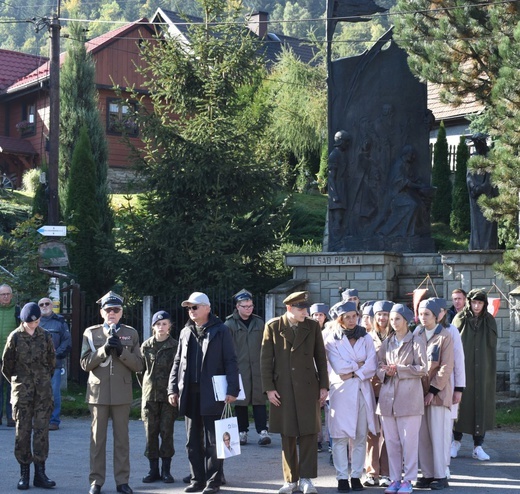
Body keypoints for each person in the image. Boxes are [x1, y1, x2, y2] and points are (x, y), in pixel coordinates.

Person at [168, 292, 239, 494]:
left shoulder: (221, 330)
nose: (191, 311)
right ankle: (197, 479)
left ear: (207, 308)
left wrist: (233, 389)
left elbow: (231, 361)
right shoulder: (185, 331)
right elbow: (177, 362)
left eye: (195, 307)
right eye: (189, 308)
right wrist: (172, 389)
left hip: (213, 393)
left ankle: (213, 481)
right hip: (189, 393)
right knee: (192, 441)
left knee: (214, 441)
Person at [260, 291, 329, 494]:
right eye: (301, 309)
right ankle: (290, 480)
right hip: (284, 388)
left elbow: (320, 358)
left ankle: (307, 479)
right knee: (287, 434)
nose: (305, 312)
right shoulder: (273, 326)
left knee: (309, 433)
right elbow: (265, 360)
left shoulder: (312, 326)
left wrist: (324, 385)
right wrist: (269, 389)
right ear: (289, 308)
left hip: (308, 386)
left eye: (306, 308)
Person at [80, 291, 143, 494]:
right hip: (98, 393)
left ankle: (122, 481)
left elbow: (139, 365)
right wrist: (103, 351)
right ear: (102, 312)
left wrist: (121, 353)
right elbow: (84, 363)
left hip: (121, 393)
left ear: (121, 312)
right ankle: (96, 481)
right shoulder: (91, 333)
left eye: (116, 310)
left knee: (122, 440)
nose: (112, 313)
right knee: (97, 440)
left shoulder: (130, 333)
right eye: (108, 310)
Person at [324, 301, 378, 493]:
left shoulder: (366, 337)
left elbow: (372, 365)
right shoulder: (331, 340)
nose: (352, 320)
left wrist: (355, 371)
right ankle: (341, 477)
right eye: (347, 317)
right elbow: (339, 368)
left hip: (362, 390)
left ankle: (356, 476)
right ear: (340, 319)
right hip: (342, 392)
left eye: (354, 316)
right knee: (340, 437)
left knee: (361, 435)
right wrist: (359, 365)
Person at [2, 302, 56, 490]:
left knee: (41, 432)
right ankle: (24, 473)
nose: (33, 325)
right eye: (30, 323)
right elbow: (6, 366)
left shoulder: (46, 336)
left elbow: (51, 363)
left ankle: (40, 473)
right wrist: (19, 383)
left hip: (42, 392)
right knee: (22, 432)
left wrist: (41, 381)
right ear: (23, 321)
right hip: (22, 393)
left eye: (36, 321)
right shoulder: (15, 337)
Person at [376, 304, 427, 494]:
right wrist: (385, 371)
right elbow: (378, 365)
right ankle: (395, 479)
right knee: (392, 442)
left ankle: (409, 479)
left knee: (409, 442)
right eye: (391, 319)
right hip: (387, 400)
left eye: (397, 319)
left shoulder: (416, 340)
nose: (393, 323)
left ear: (406, 320)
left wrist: (399, 369)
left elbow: (422, 368)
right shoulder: (387, 342)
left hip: (409, 400)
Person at [452, 289, 497, 461]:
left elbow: (491, 345)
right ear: (469, 302)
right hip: (464, 368)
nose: (477, 306)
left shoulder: (489, 320)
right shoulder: (460, 319)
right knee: (461, 404)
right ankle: (455, 442)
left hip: (483, 369)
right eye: (474, 302)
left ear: (484, 304)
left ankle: (478, 445)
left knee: (481, 404)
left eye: (480, 303)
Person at [414, 299, 454, 491]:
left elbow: (446, 367)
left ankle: (440, 475)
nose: (423, 317)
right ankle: (427, 474)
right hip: (418, 394)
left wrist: (433, 391)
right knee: (423, 437)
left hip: (438, 394)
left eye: (427, 314)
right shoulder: (417, 333)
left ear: (437, 315)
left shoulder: (445, 336)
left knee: (439, 436)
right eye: (421, 314)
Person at [224, 289, 270, 447]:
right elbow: (226, 348)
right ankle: (242, 432)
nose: (248, 309)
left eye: (250, 306)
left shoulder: (259, 322)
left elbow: (266, 344)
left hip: (258, 367)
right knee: (240, 401)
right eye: (245, 306)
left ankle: (263, 431)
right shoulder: (229, 324)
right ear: (237, 306)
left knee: (259, 399)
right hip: (239, 368)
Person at [138, 310, 179, 484]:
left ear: (170, 327)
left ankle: (166, 471)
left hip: (168, 398)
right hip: (150, 397)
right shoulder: (146, 346)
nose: (161, 327)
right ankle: (152, 470)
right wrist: (147, 388)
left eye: (164, 324)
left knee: (166, 432)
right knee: (150, 433)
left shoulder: (176, 346)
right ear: (153, 327)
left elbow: (178, 371)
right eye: (158, 324)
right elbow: (141, 371)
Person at [426, 298, 466, 477]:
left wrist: (459, 387)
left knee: (444, 428)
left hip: (447, 386)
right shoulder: (421, 331)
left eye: (441, 310)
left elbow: (458, 361)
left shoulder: (451, 331)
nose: (439, 313)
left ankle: (444, 466)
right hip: (426, 389)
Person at [364, 300, 393, 488]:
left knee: (389, 432)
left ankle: (386, 472)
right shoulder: (367, 337)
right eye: (379, 314)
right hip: (371, 389)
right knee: (372, 432)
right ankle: (371, 472)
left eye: (386, 314)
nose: (382, 318)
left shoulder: (396, 336)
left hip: (390, 389)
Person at [38, 297, 72, 431]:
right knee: (38, 393)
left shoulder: (60, 322)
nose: (44, 306)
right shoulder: (34, 322)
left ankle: (54, 421)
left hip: (54, 364)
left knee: (54, 393)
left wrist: (55, 354)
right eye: (41, 304)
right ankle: (40, 419)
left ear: (52, 306)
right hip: (37, 365)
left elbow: (67, 341)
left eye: (47, 303)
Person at [0, 283, 19, 427]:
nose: (5, 297)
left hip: (12, 357)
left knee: (12, 388)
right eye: (2, 294)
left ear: (11, 296)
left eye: (7, 294)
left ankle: (11, 418)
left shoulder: (17, 311)